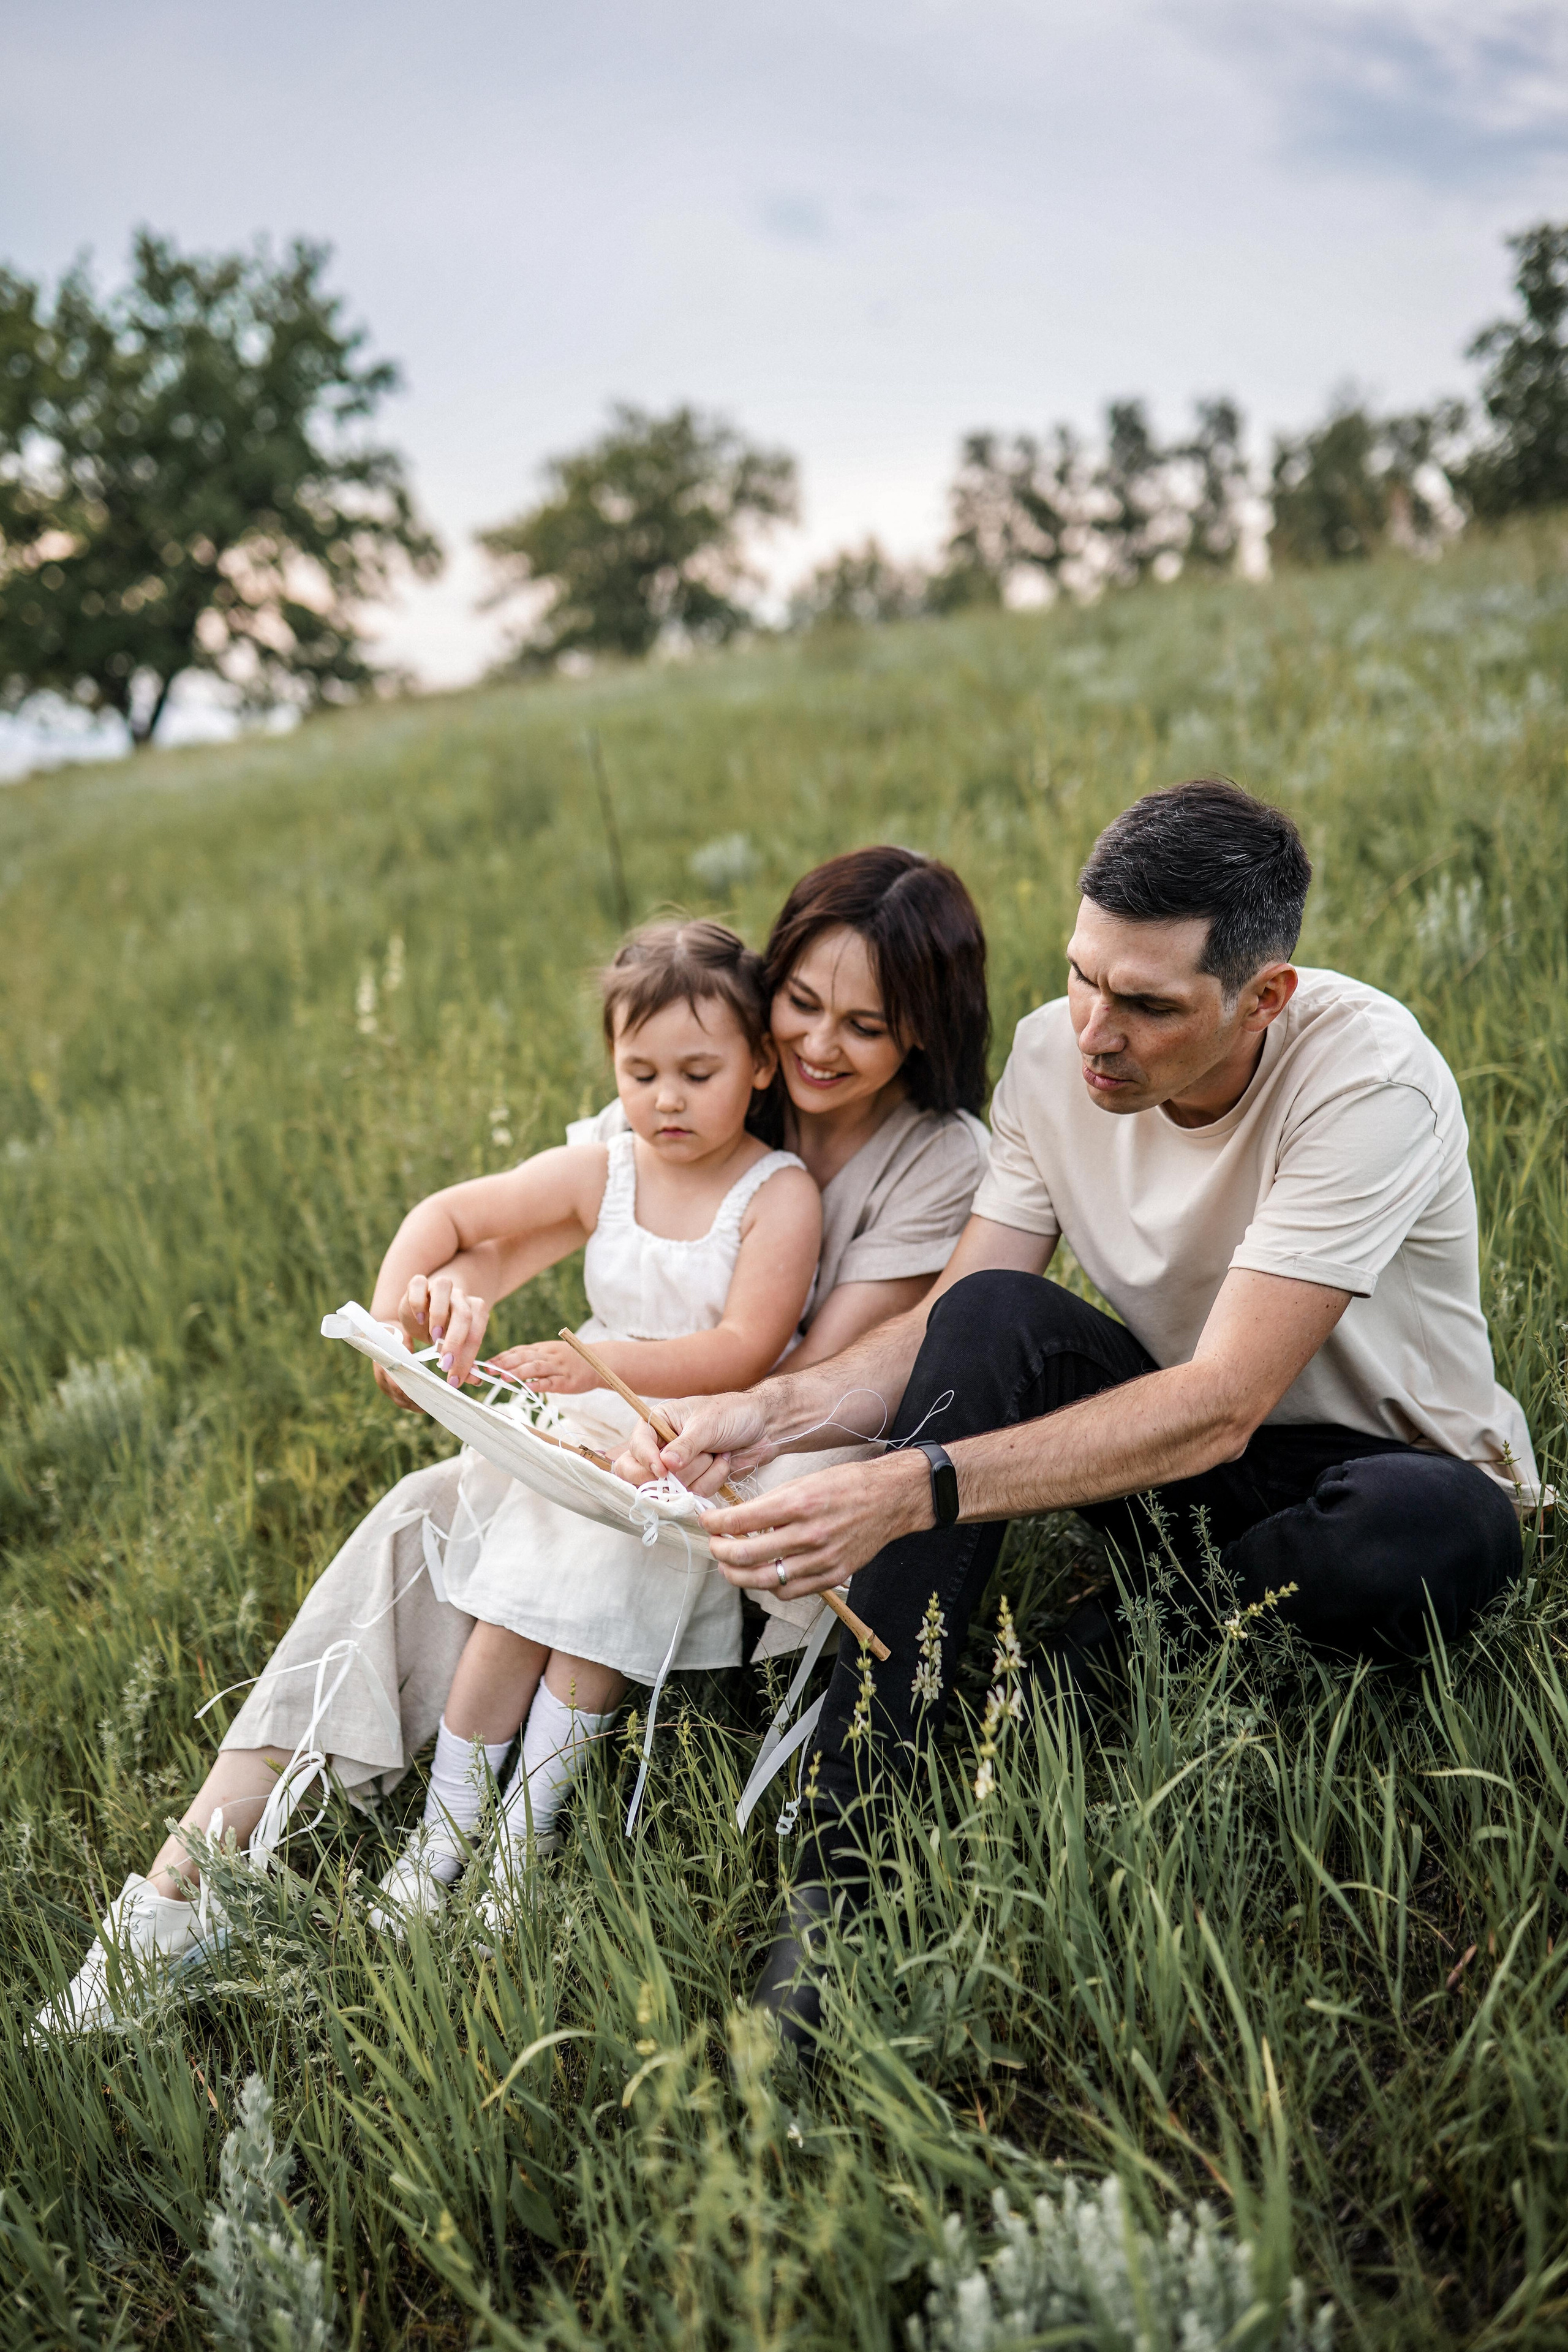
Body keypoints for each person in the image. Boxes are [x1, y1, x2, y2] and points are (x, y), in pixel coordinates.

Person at [621, 778, 1537, 2049]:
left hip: (1362, 1474)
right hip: (1156, 1462)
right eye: (1081, 977)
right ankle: (841, 1851)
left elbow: (1223, 1404)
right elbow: (948, 1316)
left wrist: (914, 1485)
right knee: (995, 1309)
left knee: (1449, 1531)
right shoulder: (1059, 1059)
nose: (1093, 1031)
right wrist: (775, 1409)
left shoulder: (1367, 1082)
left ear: (1260, 997)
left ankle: (1048, 1681)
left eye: (1146, 1004)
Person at [37, 845, 990, 2035]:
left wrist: (588, 1401)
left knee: (571, 1523)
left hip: (755, 1463)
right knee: (413, 1521)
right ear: (766, 991)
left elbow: (794, 1379)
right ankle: (179, 1891)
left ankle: (492, 1851)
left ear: (925, 1029)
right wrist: (434, 1315)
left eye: (867, 1022)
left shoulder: (933, 1159)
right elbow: (530, 1230)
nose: (815, 1044)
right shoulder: (698, 1075)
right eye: (800, 1001)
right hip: (611, 1421)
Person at [366, 919, 821, 1924]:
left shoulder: (777, 1193)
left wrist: (590, 1364)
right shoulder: (607, 1167)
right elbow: (449, 1216)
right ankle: (441, 1840)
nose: (665, 1099)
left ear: (758, 1067)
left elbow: (748, 1344)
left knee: (594, 1620)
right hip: (581, 1433)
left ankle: (523, 1849)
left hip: (682, 1435)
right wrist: (397, 1319)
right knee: (517, 1610)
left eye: (698, 1072)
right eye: (639, 1070)